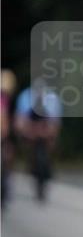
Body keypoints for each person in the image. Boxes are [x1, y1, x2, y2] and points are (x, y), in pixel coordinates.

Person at [14, 77, 63, 202]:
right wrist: (27, 133)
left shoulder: (52, 100)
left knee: (50, 147)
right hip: (30, 128)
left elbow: (55, 123)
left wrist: (49, 136)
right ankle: (29, 162)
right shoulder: (25, 97)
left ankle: (48, 169)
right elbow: (20, 120)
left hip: (46, 129)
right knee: (27, 145)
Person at [1, 70, 17, 207]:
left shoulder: (5, 100)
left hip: (2, 135)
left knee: (8, 154)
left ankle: (7, 181)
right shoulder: (4, 99)